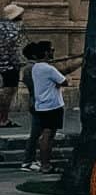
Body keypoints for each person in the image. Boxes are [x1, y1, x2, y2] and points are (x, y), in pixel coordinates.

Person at [25, 41, 67, 171]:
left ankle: (45, 163)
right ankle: (45, 164)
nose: (53, 52)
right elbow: (64, 81)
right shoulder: (49, 69)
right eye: (51, 50)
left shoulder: (36, 68)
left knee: (46, 134)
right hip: (52, 105)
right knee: (48, 135)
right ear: (45, 53)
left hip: (42, 105)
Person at [0, 2, 21, 128]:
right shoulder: (14, 29)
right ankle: (3, 118)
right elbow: (16, 49)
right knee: (9, 92)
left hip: (4, 65)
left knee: (6, 92)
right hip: (10, 66)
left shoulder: (2, 27)